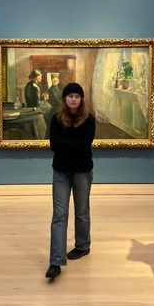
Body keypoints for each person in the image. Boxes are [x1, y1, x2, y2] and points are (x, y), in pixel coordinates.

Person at [46, 83, 96, 279]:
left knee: (82, 211)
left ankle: (83, 246)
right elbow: (53, 146)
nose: (74, 99)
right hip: (61, 172)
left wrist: (64, 143)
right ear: (64, 99)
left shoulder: (89, 119)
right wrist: (72, 145)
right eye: (70, 96)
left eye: (77, 96)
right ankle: (55, 262)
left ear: (81, 99)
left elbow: (85, 146)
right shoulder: (56, 119)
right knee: (59, 214)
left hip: (83, 172)